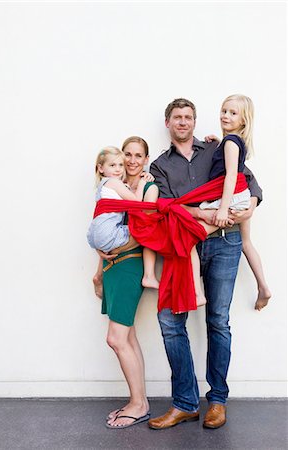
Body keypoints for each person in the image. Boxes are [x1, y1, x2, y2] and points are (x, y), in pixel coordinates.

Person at [147, 97, 263, 430]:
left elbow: (248, 181)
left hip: (224, 243)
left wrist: (251, 205)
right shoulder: (159, 166)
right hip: (183, 246)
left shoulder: (215, 147)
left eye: (188, 117)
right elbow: (166, 206)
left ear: (195, 122)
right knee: (169, 320)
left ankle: (217, 402)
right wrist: (202, 212)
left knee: (217, 320)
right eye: (177, 117)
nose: (183, 122)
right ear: (168, 123)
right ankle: (184, 403)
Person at [88, 136, 159, 429]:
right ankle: (139, 401)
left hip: (130, 266)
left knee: (115, 338)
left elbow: (147, 227)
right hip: (114, 267)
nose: (130, 161)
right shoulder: (118, 190)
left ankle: (138, 404)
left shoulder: (147, 187)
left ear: (145, 160)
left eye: (137, 156)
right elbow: (104, 226)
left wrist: (117, 250)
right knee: (127, 337)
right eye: (125, 155)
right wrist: (99, 269)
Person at [189, 95, 271, 310]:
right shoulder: (232, 142)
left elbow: (231, 175)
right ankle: (263, 286)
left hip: (232, 199)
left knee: (189, 237)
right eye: (224, 111)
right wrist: (218, 143)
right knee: (246, 242)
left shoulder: (230, 143)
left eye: (233, 113)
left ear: (243, 120)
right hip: (241, 195)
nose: (225, 115)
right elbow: (230, 164)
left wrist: (223, 209)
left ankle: (197, 294)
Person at [87, 145, 159, 290]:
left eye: (120, 165)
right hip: (107, 234)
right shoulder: (114, 183)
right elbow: (136, 202)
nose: (118, 169)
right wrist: (143, 182)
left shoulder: (103, 186)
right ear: (101, 168)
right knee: (149, 229)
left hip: (95, 234)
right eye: (113, 165)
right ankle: (149, 276)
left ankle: (98, 275)